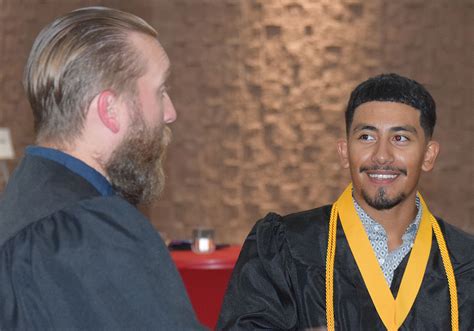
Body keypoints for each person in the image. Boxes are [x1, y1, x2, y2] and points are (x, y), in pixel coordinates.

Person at [0, 7, 205, 330]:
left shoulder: (22, 204)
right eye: (161, 91)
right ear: (110, 109)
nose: (170, 113)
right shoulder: (91, 228)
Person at [217, 73, 473, 330]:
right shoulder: (283, 247)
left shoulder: (465, 261)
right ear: (344, 152)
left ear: (428, 156)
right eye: (366, 137)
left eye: (400, 138)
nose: (382, 156)